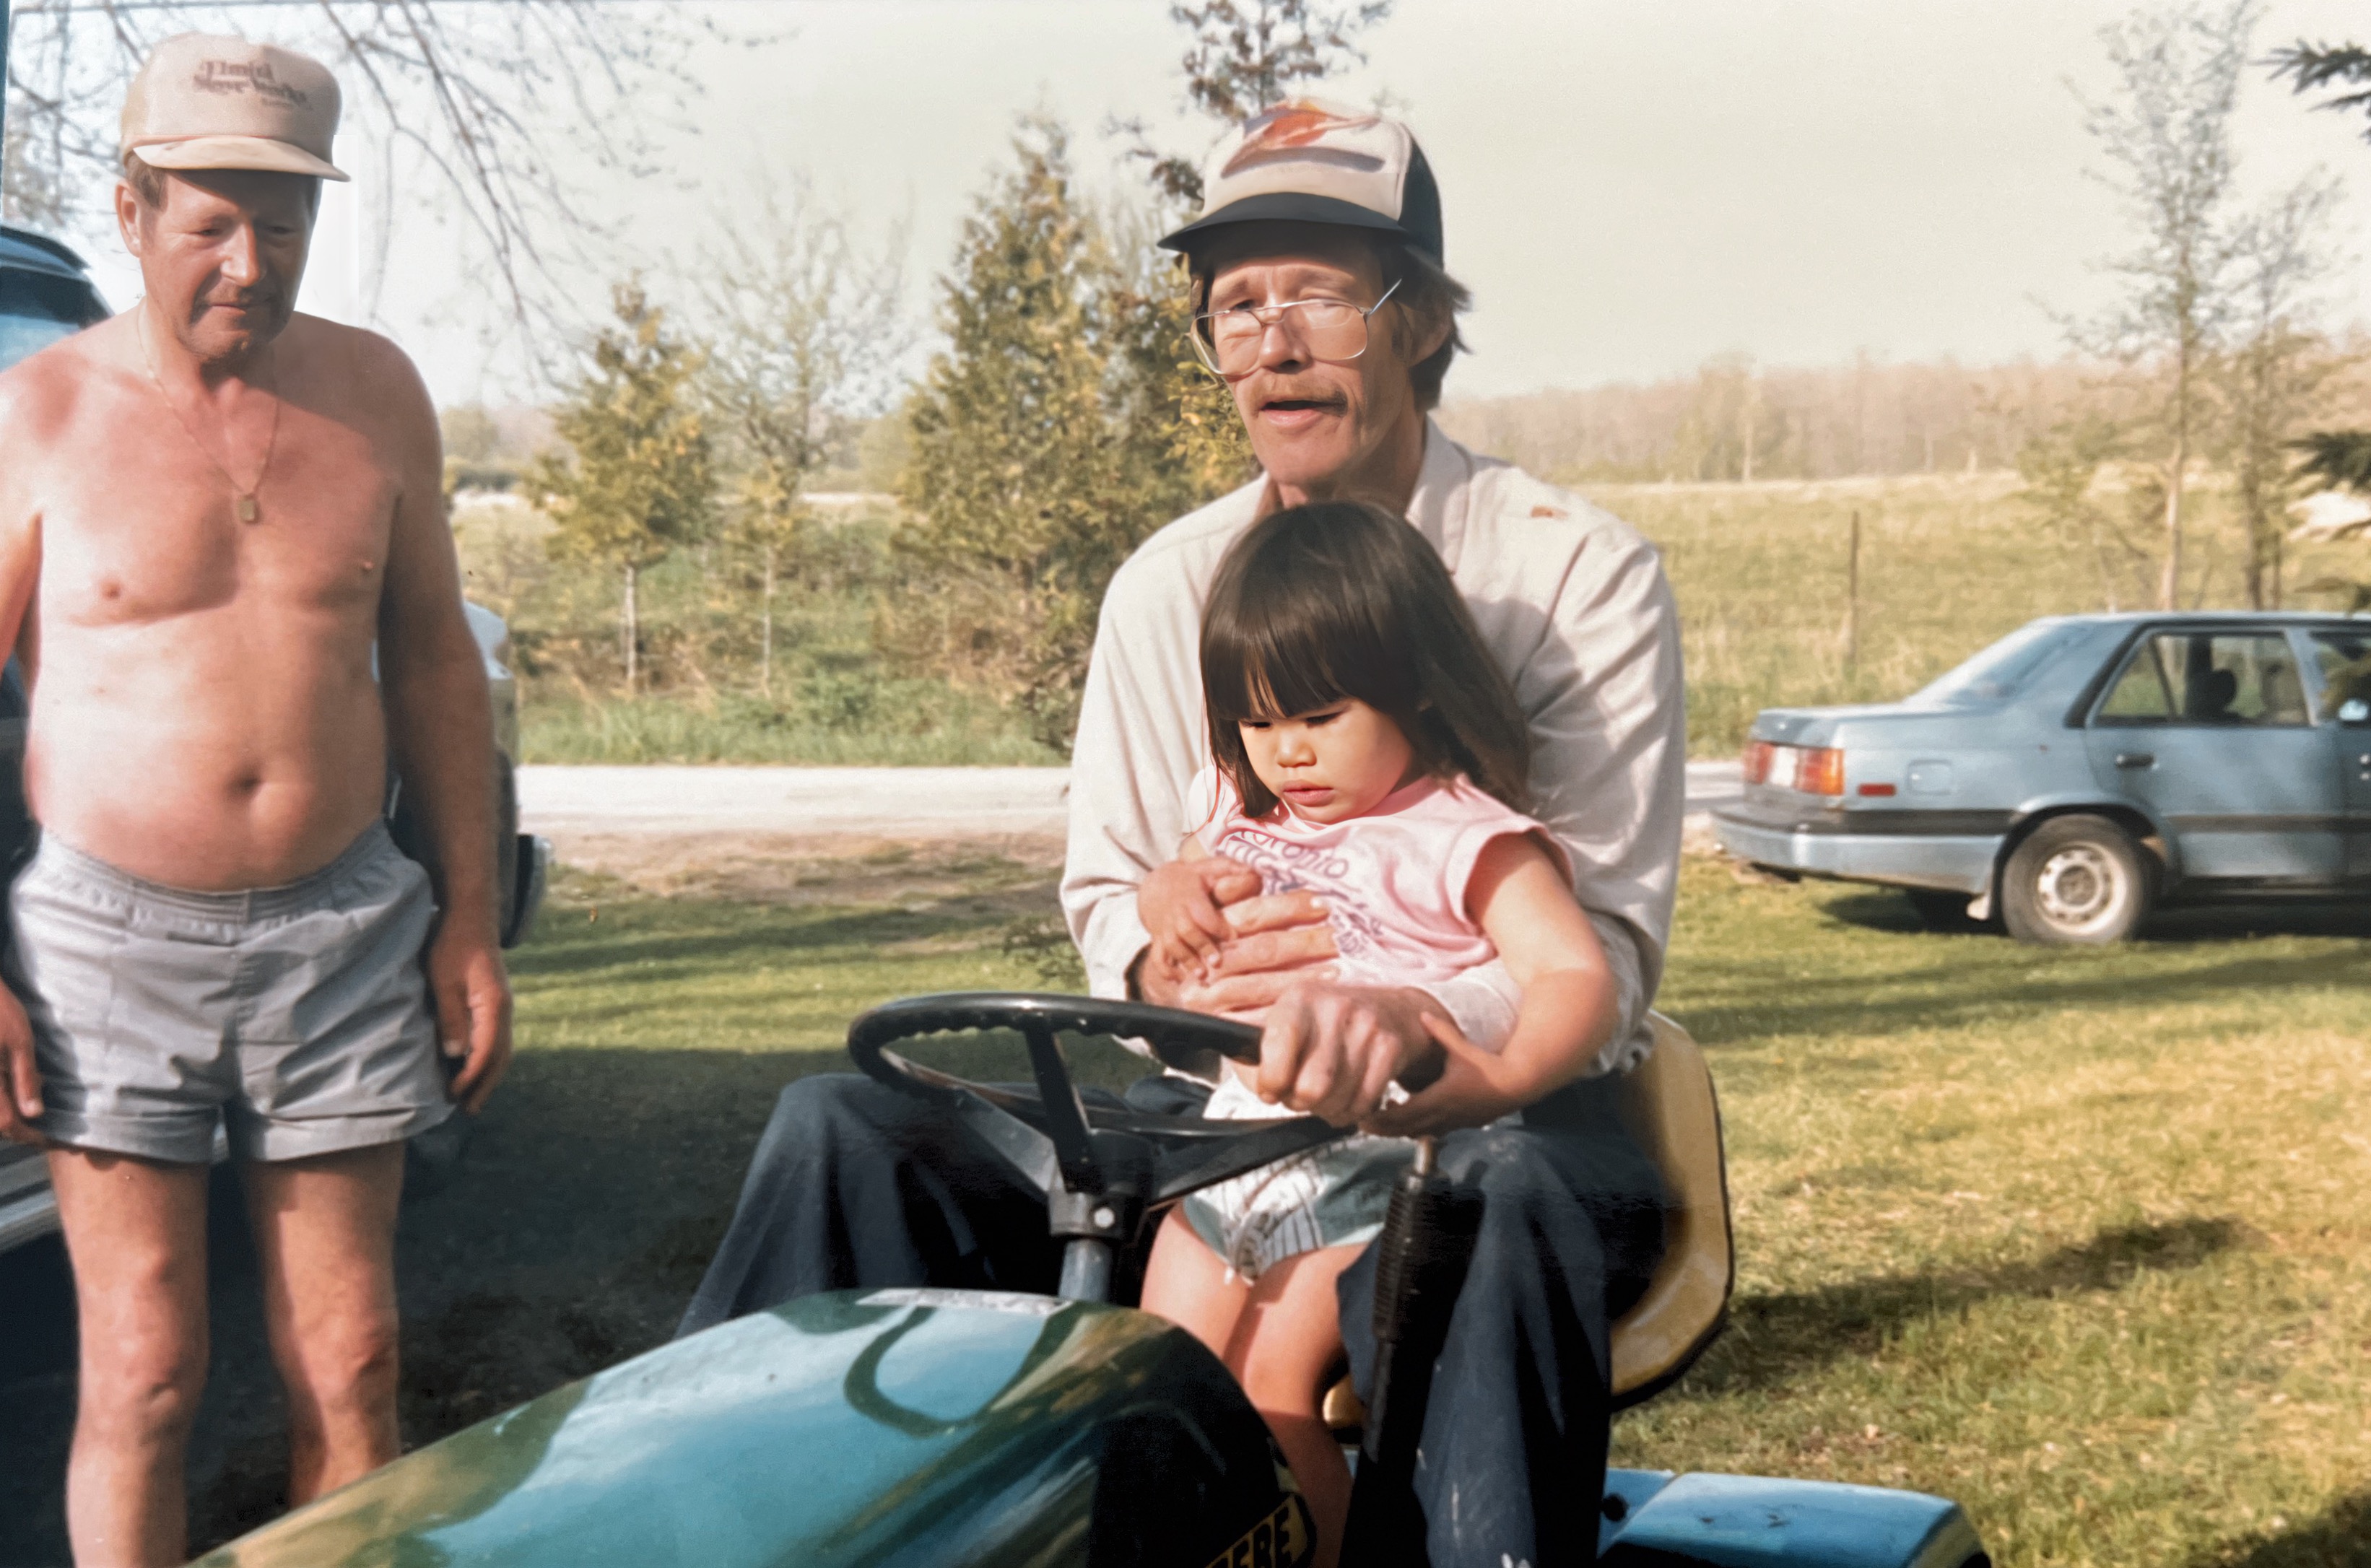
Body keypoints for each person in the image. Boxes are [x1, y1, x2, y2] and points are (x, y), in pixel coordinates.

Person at [679, 102, 1684, 1567]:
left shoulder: (1569, 573)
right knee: (843, 1131)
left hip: (1496, 1116)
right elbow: (1113, 892)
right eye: (1236, 308)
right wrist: (1168, 958)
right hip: (1216, 1111)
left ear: (1417, 322)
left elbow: (1598, 960)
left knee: (1490, 1200)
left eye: (1320, 297)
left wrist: (1408, 1021)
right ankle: (733, 1524)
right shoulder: (1169, 587)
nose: (1274, 345)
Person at [0, 35, 512, 1568]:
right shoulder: (39, 413)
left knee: (353, 1362)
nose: (249, 261)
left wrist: (467, 919)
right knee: (148, 1370)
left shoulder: (376, 396)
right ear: (133, 210)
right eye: (211, 223)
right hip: (104, 945)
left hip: (344, 930)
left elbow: (435, 663)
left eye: (281, 225)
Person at [1136, 499, 1626, 1568]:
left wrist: (1503, 1077)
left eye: (1321, 716)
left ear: (1415, 687)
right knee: (1155, 1395)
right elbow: (1174, 877)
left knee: (1270, 1399)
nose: (1288, 753)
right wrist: (1165, 895)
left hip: (1365, 1163)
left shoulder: (1463, 836)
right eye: (1258, 724)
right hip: (1227, 1154)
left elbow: (1573, 974)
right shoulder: (1242, 818)